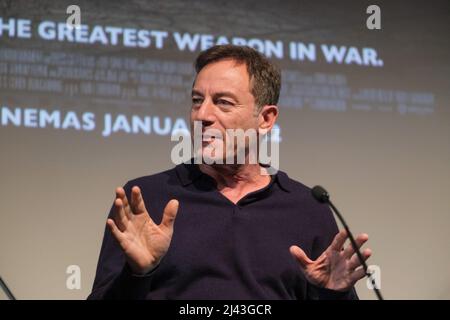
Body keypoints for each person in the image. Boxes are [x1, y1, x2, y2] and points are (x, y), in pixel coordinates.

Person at [88, 45, 372, 300]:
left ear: (266, 118)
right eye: (197, 100)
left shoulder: (308, 208)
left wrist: (333, 296)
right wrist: (138, 274)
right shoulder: (146, 198)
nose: (202, 115)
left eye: (223, 102)